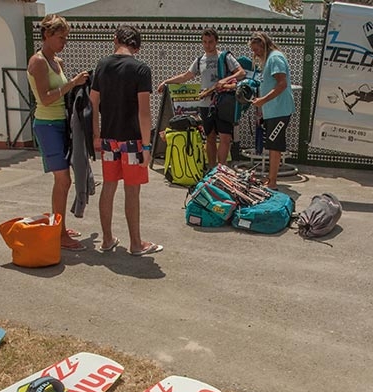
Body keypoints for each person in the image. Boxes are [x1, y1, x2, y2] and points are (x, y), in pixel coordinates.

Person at [91, 25, 162, 256]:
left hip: (109, 138)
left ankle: (107, 239)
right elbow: (144, 112)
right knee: (132, 191)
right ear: (137, 47)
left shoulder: (101, 66)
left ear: (115, 40)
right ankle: (136, 244)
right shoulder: (141, 70)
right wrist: (148, 145)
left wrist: (96, 135)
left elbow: (93, 103)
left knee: (109, 187)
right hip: (132, 141)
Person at [27, 14, 90, 251]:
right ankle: (59, 232)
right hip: (46, 125)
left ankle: (59, 225)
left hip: (62, 124)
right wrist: (72, 83)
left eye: (66, 38)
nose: (64, 42)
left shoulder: (57, 61)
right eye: (61, 37)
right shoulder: (38, 62)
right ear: (47, 35)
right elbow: (44, 98)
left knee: (65, 180)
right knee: (63, 179)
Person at [156, 28, 245, 168]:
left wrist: (225, 80)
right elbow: (186, 76)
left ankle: (223, 170)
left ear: (216, 41)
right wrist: (166, 81)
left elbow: (241, 73)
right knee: (210, 137)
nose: (207, 45)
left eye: (210, 42)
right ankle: (211, 168)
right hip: (205, 104)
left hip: (223, 103)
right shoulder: (199, 61)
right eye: (204, 42)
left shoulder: (225, 57)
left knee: (225, 138)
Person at [248, 32, 294, 190]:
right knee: (272, 144)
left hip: (279, 110)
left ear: (263, 45)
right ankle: (270, 178)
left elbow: (282, 84)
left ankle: (273, 181)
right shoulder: (269, 60)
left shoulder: (275, 58)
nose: (255, 53)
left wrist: (263, 101)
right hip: (272, 111)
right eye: (253, 51)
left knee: (275, 145)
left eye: (257, 50)